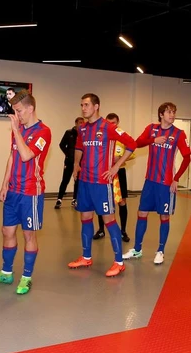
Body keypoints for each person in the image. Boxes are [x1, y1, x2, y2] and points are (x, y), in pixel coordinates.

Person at [0, 90, 51, 294]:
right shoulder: (19, 129)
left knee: (28, 234)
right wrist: (5, 184)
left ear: (30, 108)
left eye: (19, 110)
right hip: (13, 191)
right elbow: (12, 156)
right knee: (7, 231)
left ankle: (26, 277)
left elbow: (26, 155)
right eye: (15, 110)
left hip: (31, 192)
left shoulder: (43, 132)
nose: (17, 115)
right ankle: (6, 272)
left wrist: (16, 130)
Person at [68, 93, 136, 277]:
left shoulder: (108, 127)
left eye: (87, 105)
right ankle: (86, 257)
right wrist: (76, 164)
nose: (83, 108)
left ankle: (119, 262)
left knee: (109, 220)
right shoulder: (82, 128)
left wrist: (116, 166)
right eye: (82, 105)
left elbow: (132, 144)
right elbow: (79, 147)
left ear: (96, 106)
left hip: (101, 183)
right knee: (85, 218)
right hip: (85, 181)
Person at [122, 102, 191, 265]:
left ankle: (160, 251)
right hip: (150, 181)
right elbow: (137, 143)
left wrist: (176, 178)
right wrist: (154, 140)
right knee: (142, 213)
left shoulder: (179, 134)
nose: (172, 115)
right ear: (161, 115)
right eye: (169, 112)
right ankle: (137, 249)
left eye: (174, 112)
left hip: (166, 183)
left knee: (164, 216)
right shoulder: (151, 128)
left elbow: (187, 157)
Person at [94, 112, 134, 242]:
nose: (111, 125)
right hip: (104, 173)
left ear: (118, 123)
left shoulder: (122, 136)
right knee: (102, 201)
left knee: (122, 201)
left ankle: (123, 231)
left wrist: (120, 159)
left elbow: (132, 152)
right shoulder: (101, 136)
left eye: (114, 123)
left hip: (119, 172)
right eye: (109, 122)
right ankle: (101, 230)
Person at [55, 117, 85, 209]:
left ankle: (75, 199)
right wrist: (68, 154)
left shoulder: (84, 134)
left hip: (79, 162)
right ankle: (59, 199)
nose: (81, 124)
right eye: (80, 122)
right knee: (65, 180)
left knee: (77, 181)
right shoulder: (69, 133)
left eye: (83, 123)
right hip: (69, 161)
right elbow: (61, 144)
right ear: (76, 123)